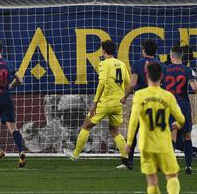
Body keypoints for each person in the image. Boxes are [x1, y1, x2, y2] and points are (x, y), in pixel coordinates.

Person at [65, 39, 129, 165]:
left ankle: (75, 154)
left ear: (103, 50)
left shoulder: (104, 64)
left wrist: (94, 103)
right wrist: (124, 97)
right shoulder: (122, 64)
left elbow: (102, 83)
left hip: (106, 102)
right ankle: (126, 160)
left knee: (86, 125)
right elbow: (127, 83)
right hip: (118, 103)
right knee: (115, 131)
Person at [125, 61, 184, 194]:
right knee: (172, 176)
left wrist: (129, 143)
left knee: (152, 181)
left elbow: (133, 121)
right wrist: (178, 124)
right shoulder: (168, 96)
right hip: (164, 143)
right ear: (162, 76)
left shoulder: (139, 95)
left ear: (147, 77)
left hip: (146, 145)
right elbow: (181, 118)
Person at [164, 45, 197, 175]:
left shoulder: (164, 69)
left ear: (171, 56)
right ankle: (188, 167)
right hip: (183, 105)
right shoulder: (188, 70)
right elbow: (196, 88)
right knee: (187, 136)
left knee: (173, 136)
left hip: (169, 106)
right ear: (181, 56)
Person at [120, 39, 160, 169]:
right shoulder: (161, 64)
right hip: (155, 102)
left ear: (143, 50)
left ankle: (128, 162)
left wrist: (125, 96)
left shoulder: (137, 64)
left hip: (140, 101)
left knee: (133, 131)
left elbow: (132, 84)